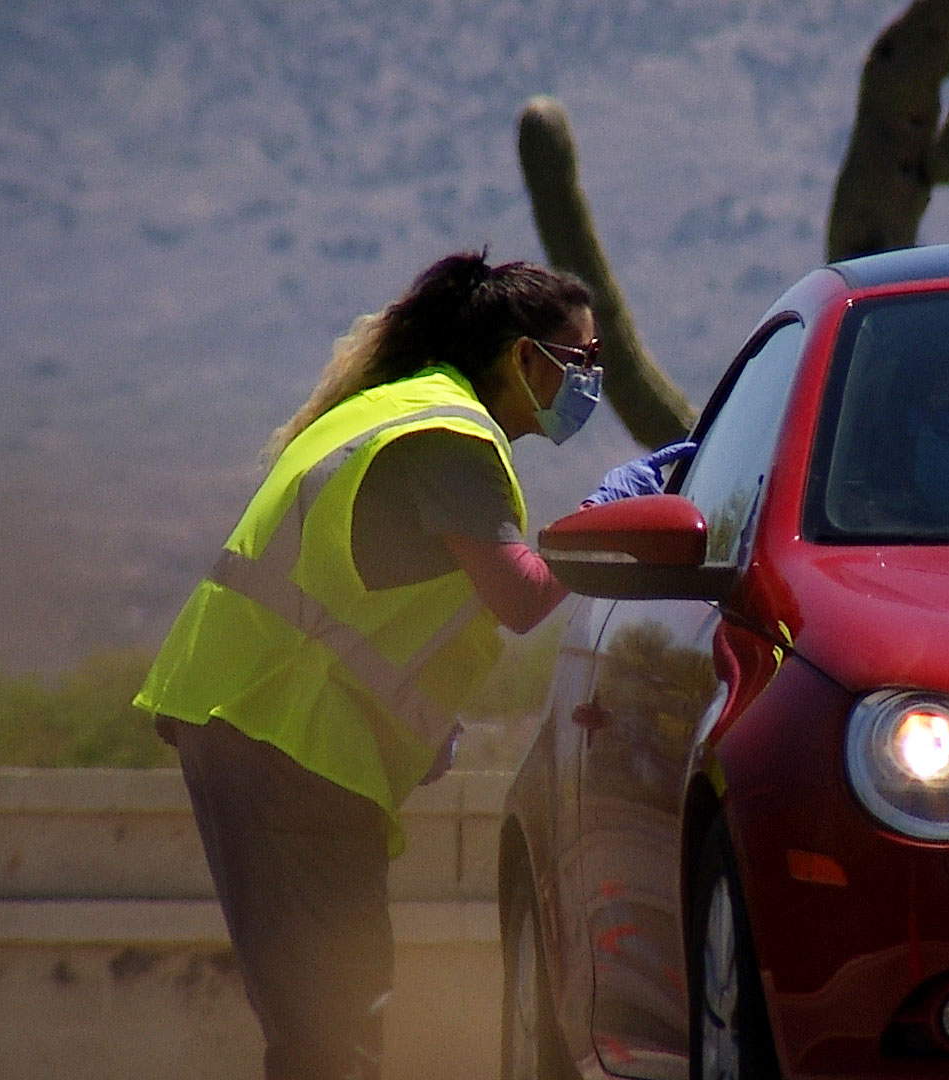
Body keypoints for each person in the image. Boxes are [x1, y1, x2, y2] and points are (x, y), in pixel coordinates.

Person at [134, 250, 683, 1079]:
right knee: (335, 1013)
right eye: (580, 361)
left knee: (314, 1014)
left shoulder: (394, 408)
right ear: (522, 359)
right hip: (293, 733)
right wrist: (606, 522)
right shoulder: (451, 439)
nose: (592, 382)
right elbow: (522, 596)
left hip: (249, 718)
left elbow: (366, 599)